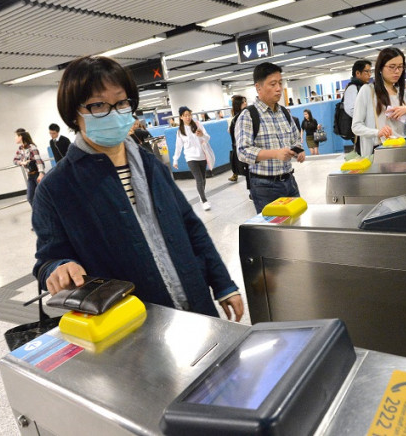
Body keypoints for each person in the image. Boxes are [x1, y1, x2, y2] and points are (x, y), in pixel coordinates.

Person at [32, 55, 243, 321]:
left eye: (120, 102)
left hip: (195, 301)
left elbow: (190, 227)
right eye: (98, 105)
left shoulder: (149, 164)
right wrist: (59, 267)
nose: (113, 112)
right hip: (132, 321)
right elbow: (47, 261)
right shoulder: (57, 188)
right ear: (74, 112)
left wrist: (222, 284)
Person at [235, 62, 305, 214]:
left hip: (289, 181)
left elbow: (295, 138)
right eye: (273, 84)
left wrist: (299, 150)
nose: (279, 88)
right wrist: (275, 153)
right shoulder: (248, 116)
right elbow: (243, 152)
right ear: (258, 87)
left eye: (280, 83)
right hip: (264, 186)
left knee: (299, 224)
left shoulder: (284, 113)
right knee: (274, 233)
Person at [352, 48, 406, 155]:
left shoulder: (402, 92)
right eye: (392, 67)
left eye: (400, 67)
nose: (397, 71)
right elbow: (356, 126)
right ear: (381, 68)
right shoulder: (368, 91)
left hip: (401, 146)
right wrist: (378, 132)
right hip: (378, 149)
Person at [172, 106, 212, 211]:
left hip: (202, 156)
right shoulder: (180, 131)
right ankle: (204, 200)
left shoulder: (198, 125)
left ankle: (201, 194)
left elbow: (207, 138)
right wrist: (175, 159)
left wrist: (202, 135)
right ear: (181, 117)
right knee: (199, 179)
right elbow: (178, 146)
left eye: (189, 115)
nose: (188, 117)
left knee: (203, 179)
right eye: (185, 115)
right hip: (190, 157)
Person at [345, 60, 372, 154]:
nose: (369, 74)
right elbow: (351, 109)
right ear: (357, 73)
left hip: (367, 128)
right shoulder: (353, 88)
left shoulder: (365, 87)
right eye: (366, 71)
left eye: (370, 71)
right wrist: (365, 117)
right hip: (360, 130)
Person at [13, 129, 45, 207]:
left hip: (37, 174)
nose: (15, 138)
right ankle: (38, 214)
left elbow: (38, 160)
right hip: (30, 175)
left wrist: (41, 174)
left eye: (16, 136)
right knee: (30, 197)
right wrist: (22, 162)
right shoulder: (20, 148)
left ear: (21, 136)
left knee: (44, 196)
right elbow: (14, 160)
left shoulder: (32, 147)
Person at [228, 95, 247, 183]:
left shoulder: (245, 114)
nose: (245, 103)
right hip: (243, 148)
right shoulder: (237, 118)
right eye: (243, 102)